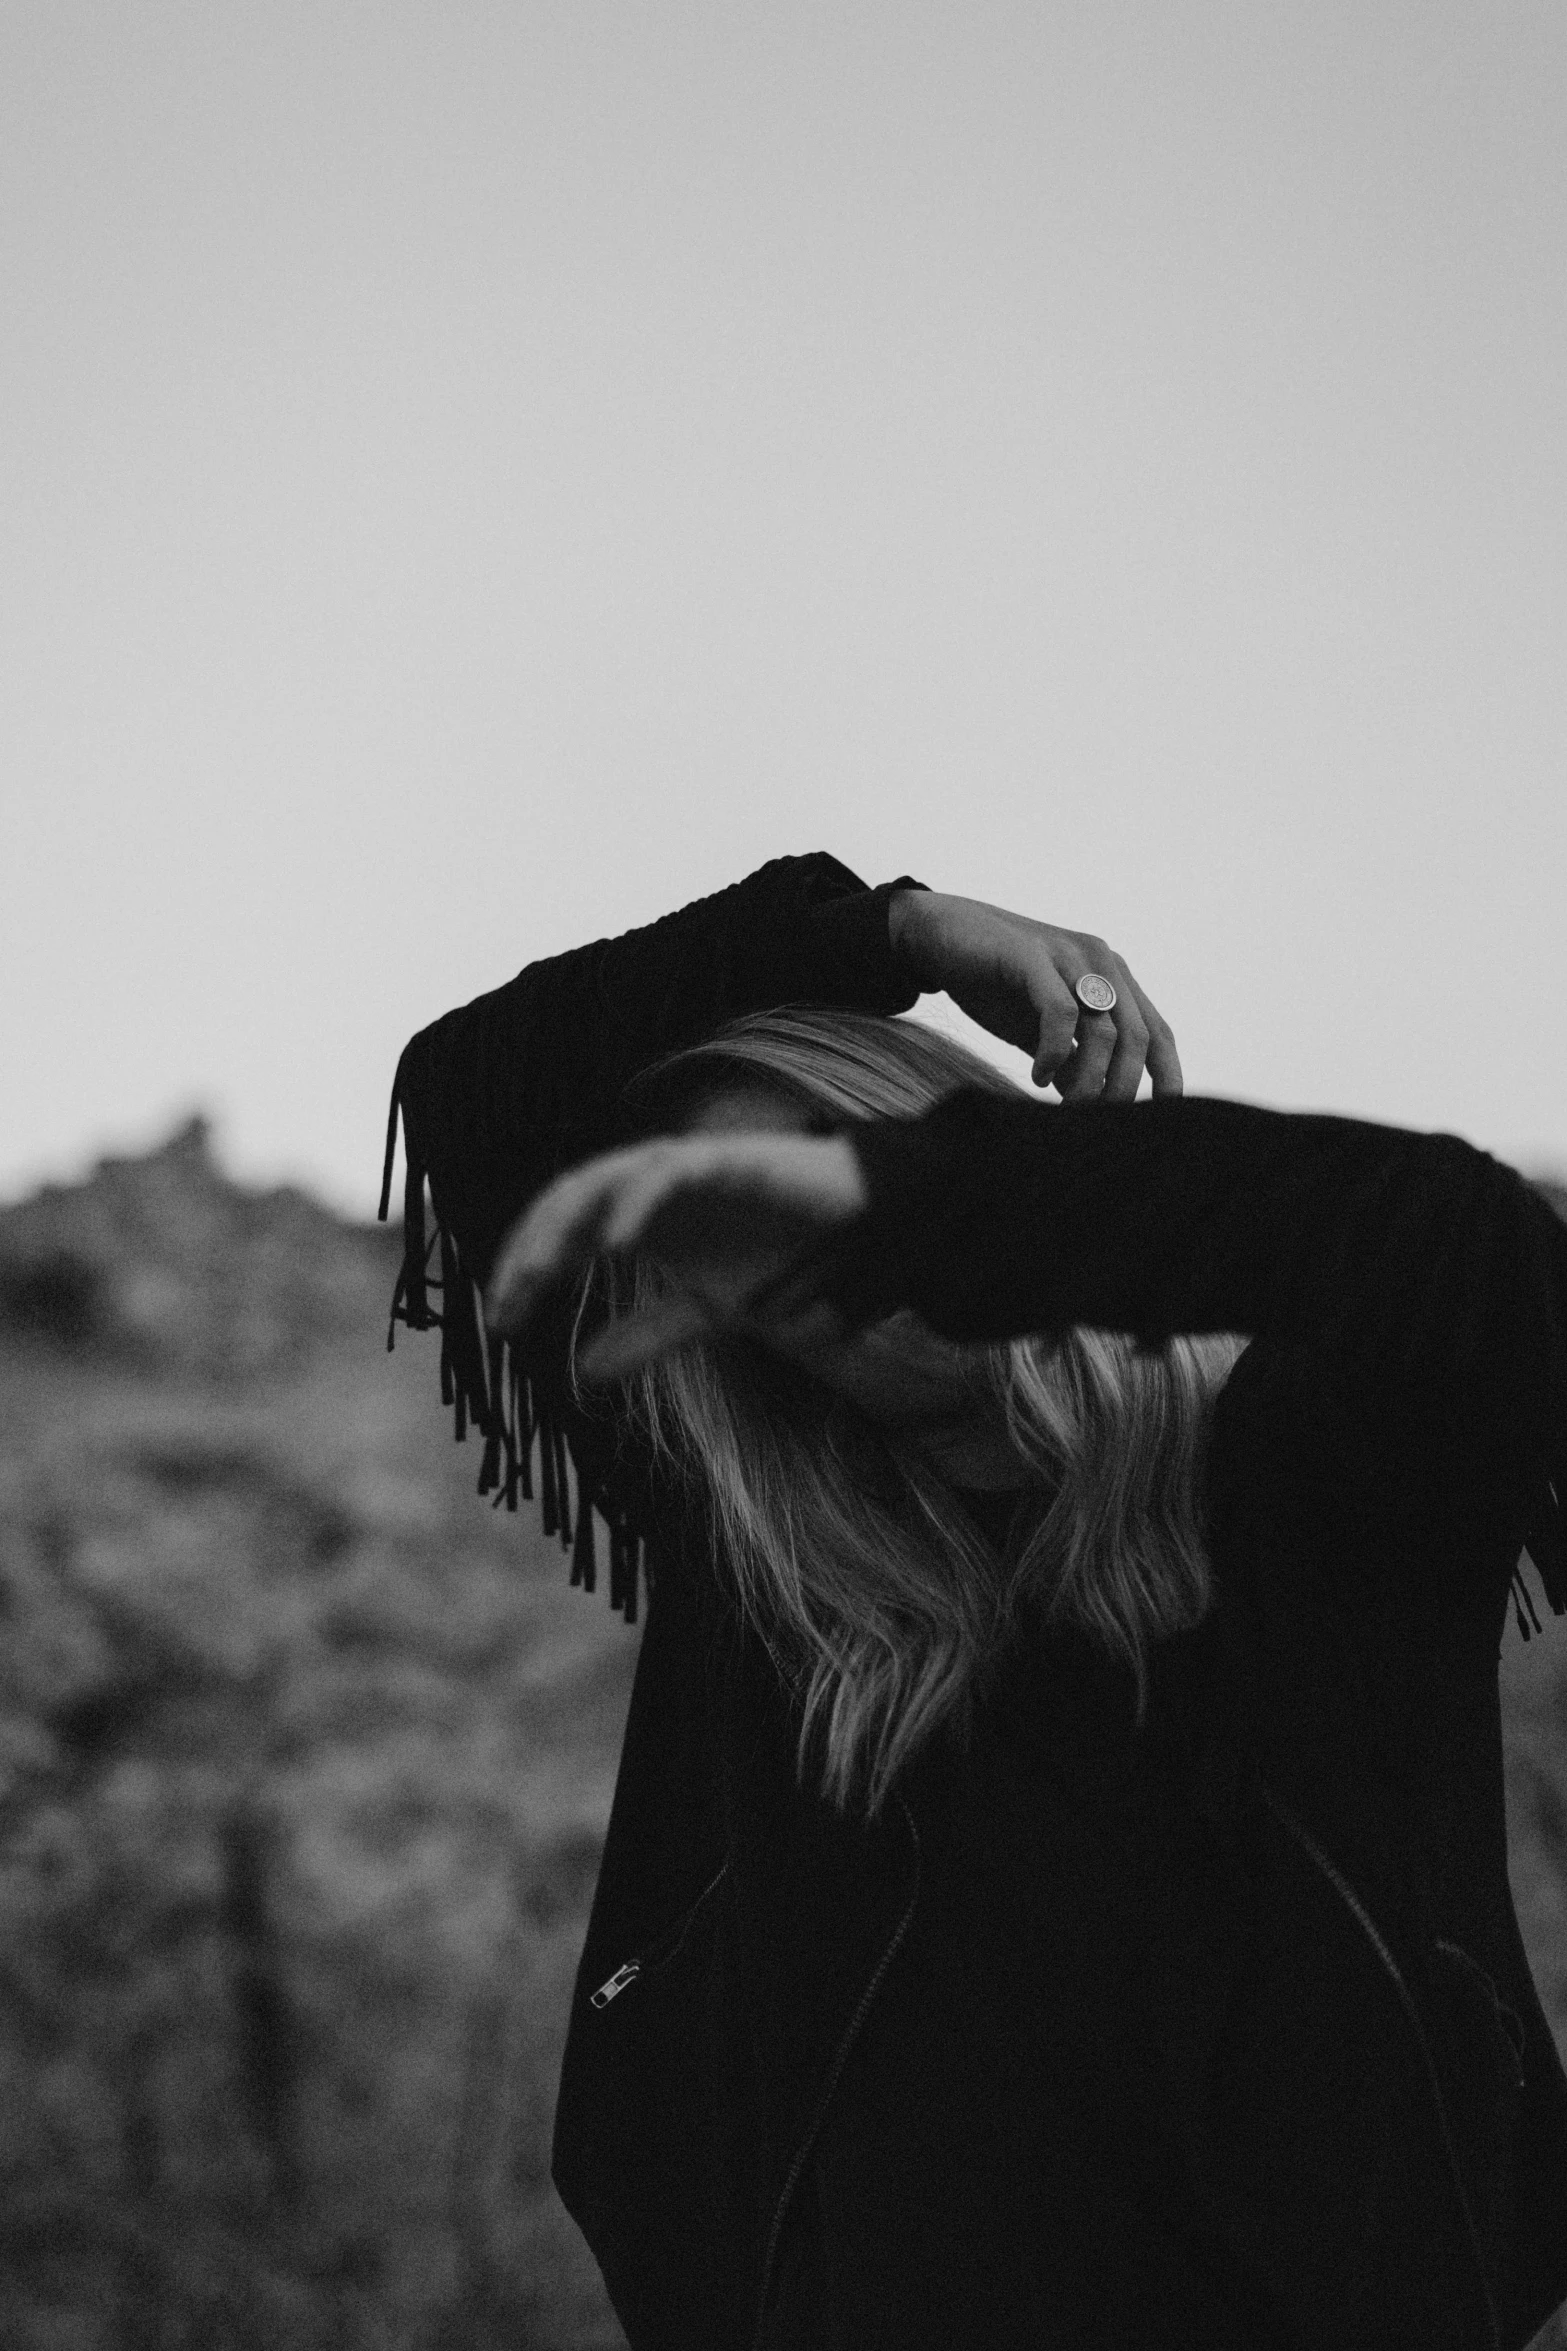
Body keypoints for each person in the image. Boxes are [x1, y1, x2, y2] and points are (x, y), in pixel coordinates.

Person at [379, 852, 1567, 2351]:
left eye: (821, 1156)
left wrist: (947, 1206)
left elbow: (1463, 1244)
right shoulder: (778, 1588)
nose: (787, 1235)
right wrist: (890, 927)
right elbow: (468, 1082)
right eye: (728, 1222)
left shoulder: (1305, 1488)